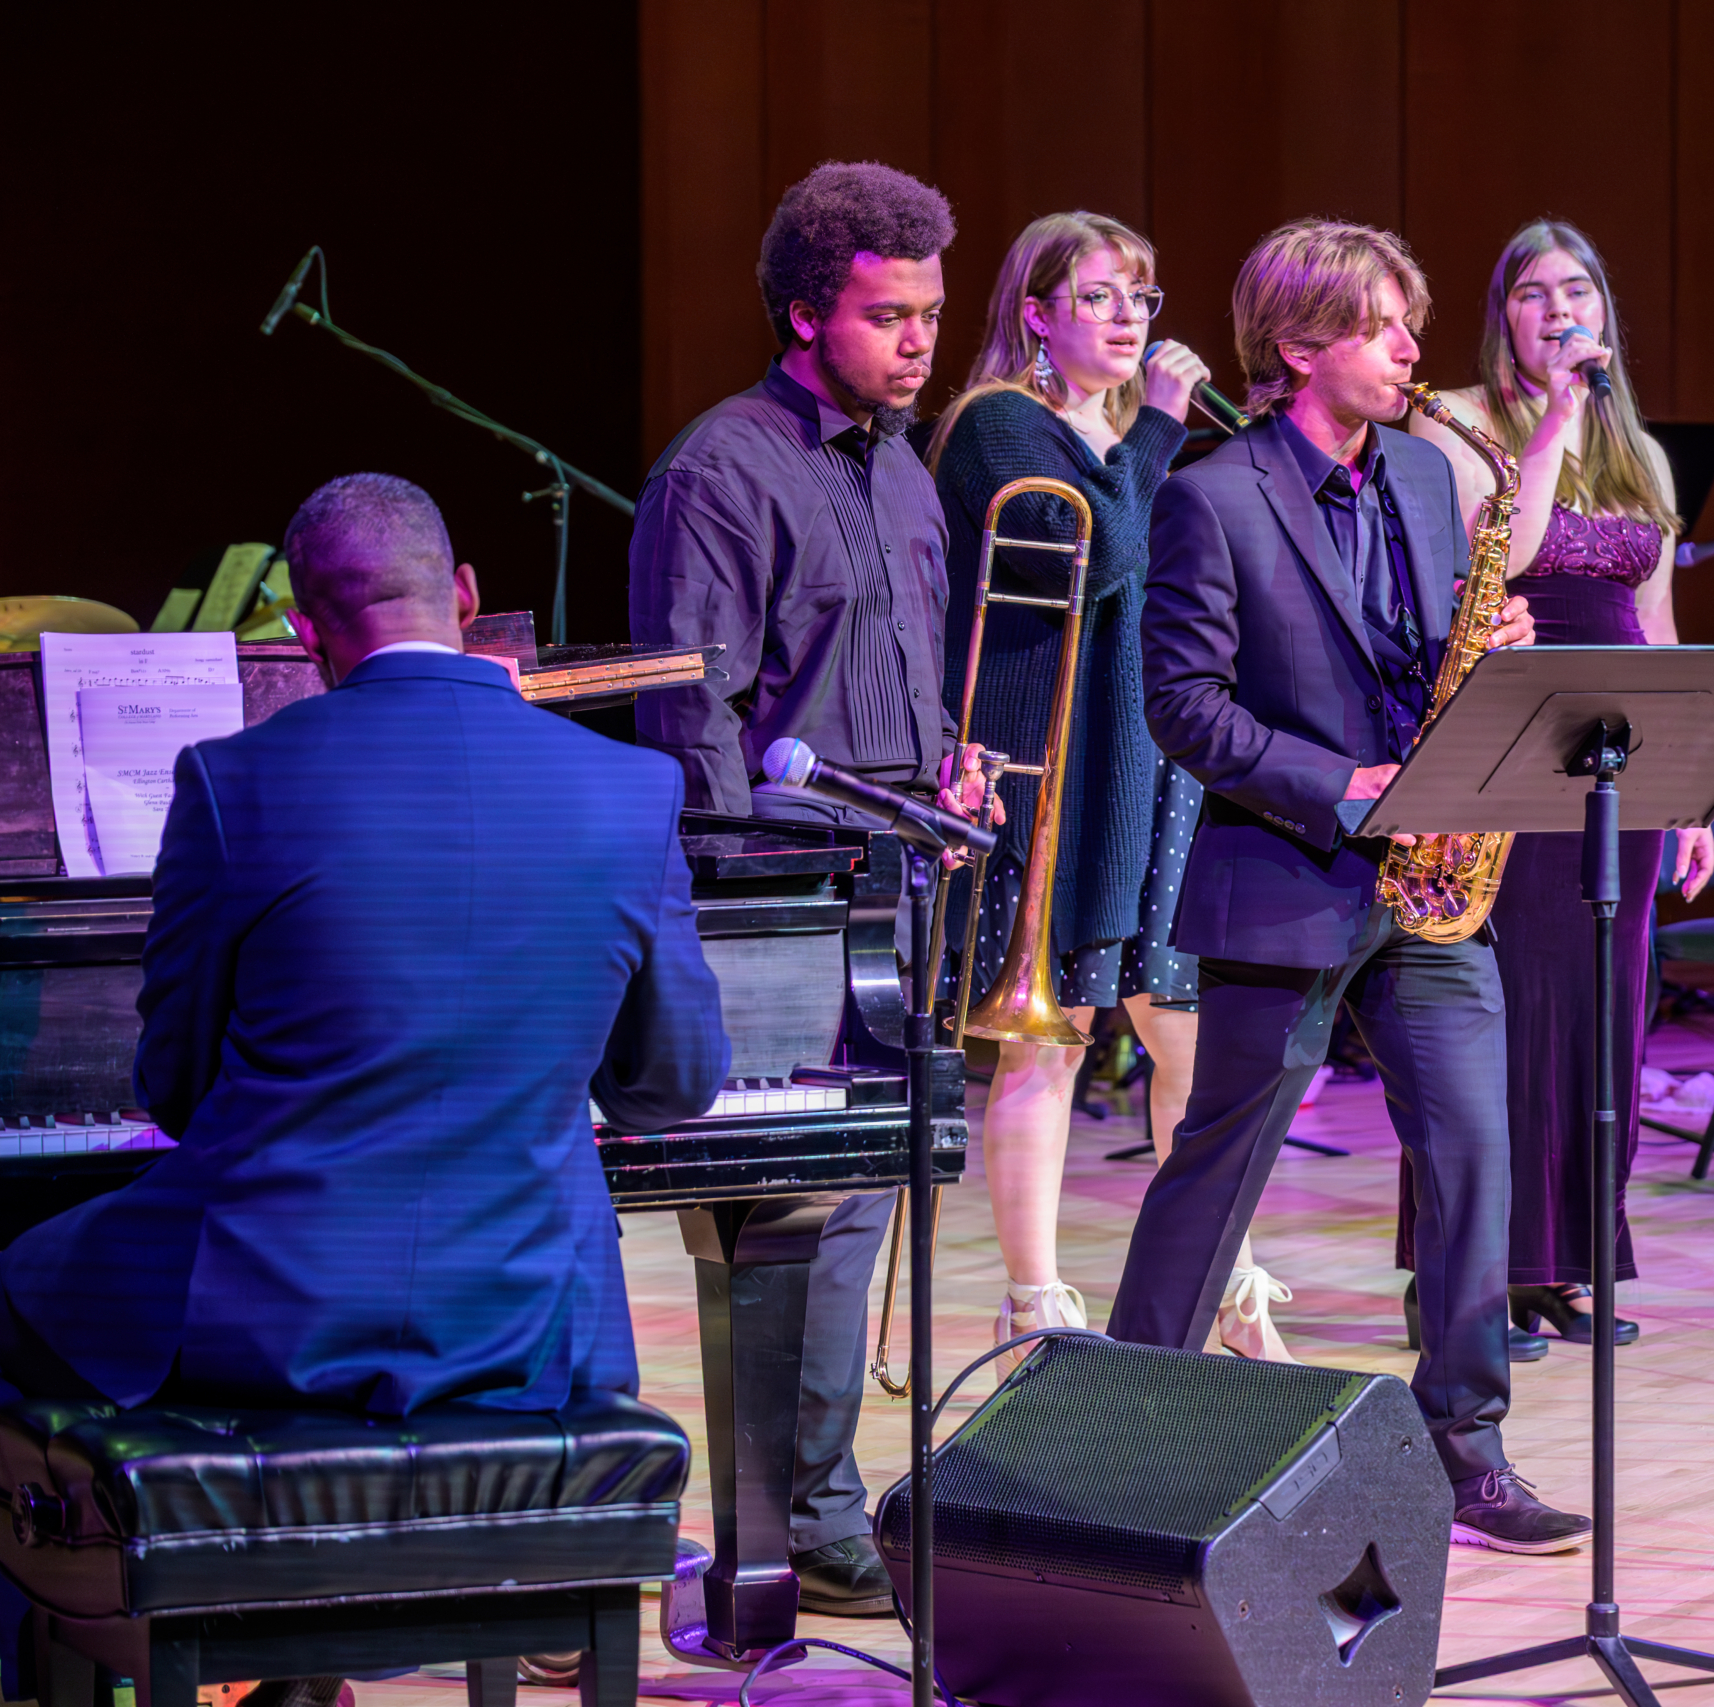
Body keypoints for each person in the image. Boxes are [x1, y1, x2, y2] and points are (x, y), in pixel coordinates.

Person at [0, 473, 728, 1692]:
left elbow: (179, 1090)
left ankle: (76, 1664)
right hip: (524, 1322)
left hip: (271, 1313)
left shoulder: (232, 781)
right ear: (467, 597)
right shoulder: (629, 789)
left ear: (305, 637)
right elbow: (672, 1084)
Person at [1109, 217, 1588, 1557]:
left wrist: (1491, 644)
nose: (1413, 350)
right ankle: (1133, 1426)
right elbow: (1182, 708)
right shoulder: (1213, 493)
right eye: (1385, 326)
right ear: (1301, 344)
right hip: (1288, 869)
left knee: (1474, 1150)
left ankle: (1466, 1444)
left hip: (1433, 882)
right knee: (1221, 1161)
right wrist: (1343, 785)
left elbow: (1421, 654)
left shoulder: (1431, 483)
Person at [628, 160, 977, 1615]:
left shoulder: (902, 464)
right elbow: (691, 718)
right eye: (889, 315)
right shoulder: (722, 467)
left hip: (898, 867)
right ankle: (794, 1521)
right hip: (783, 886)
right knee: (801, 1213)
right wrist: (741, 921)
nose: (918, 342)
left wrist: (949, 764)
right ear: (801, 313)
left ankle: (821, 1500)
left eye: (932, 314)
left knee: (861, 1206)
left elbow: (896, 665)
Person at [927, 212, 1294, 1365]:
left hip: (1159, 765)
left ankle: (1222, 1286)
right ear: (1035, 313)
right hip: (1061, 773)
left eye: (1142, 295)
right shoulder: (997, 428)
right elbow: (1103, 555)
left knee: (1187, 1040)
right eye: (1098, 296)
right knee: (1052, 1040)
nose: (1132, 317)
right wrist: (1163, 436)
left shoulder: (1140, 434)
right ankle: (1034, 1306)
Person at [1399, 218, 1714, 1348]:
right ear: (1505, 318)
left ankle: (1573, 1255)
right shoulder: (1458, 428)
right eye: (1531, 294)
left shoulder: (1641, 455)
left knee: (1603, 1011)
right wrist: (1553, 428)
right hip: (1509, 737)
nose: (1555, 309)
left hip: (1620, 761)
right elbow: (1503, 558)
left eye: (1574, 289)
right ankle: (1476, 1266)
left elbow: (1661, 625)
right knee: (1504, 1011)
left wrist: (1687, 792)